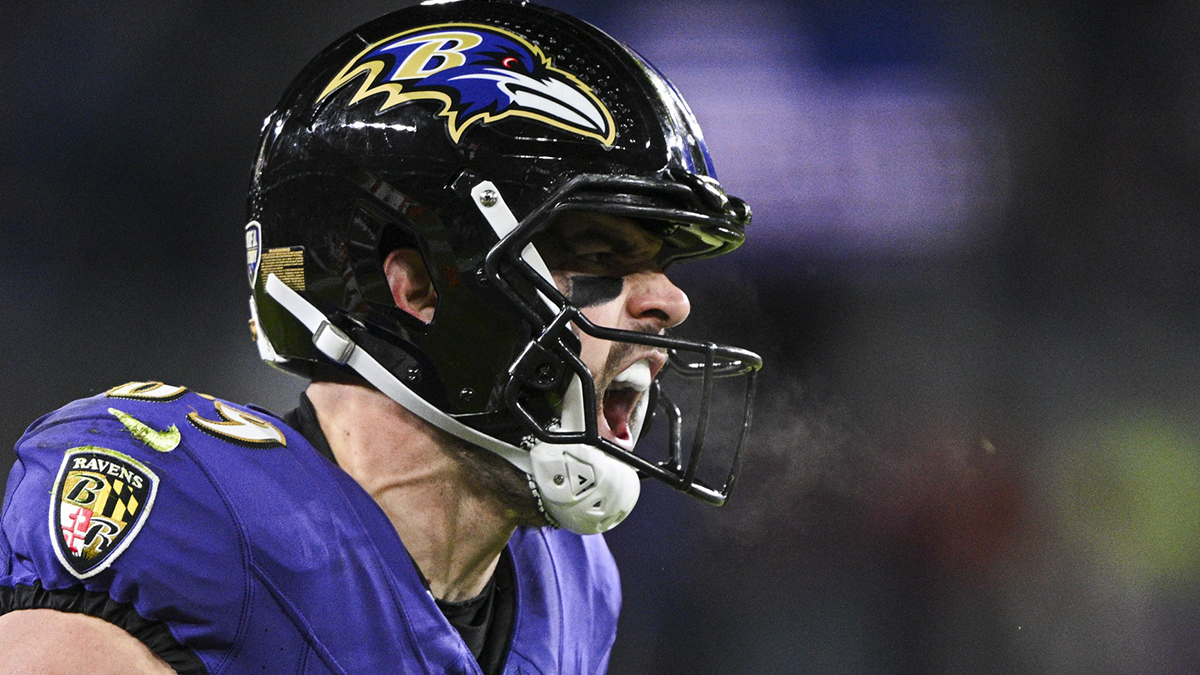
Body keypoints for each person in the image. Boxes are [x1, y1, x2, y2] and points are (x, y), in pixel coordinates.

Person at [0, 1, 761, 672]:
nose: (671, 302)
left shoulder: (569, 585)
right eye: (599, 253)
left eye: (661, 264)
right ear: (420, 286)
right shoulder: (202, 529)